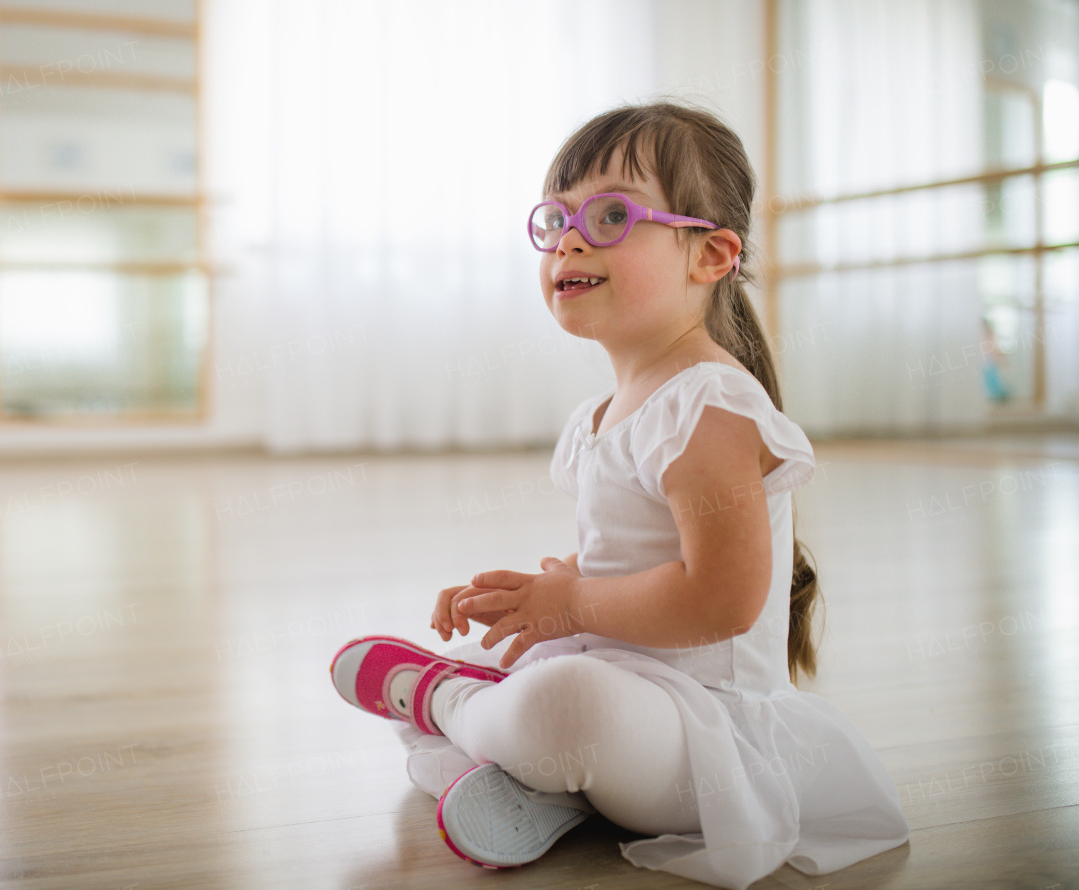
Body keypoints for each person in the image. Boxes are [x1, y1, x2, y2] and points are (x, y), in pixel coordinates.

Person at [330, 101, 910, 889]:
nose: (569, 239)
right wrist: (536, 596)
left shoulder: (708, 404)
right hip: (628, 688)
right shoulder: (602, 415)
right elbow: (626, 555)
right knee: (509, 666)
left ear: (710, 255)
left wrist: (570, 605)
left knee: (563, 704)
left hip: (704, 737)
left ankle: (447, 707)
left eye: (609, 215)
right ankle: (540, 784)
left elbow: (722, 600)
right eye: (555, 220)